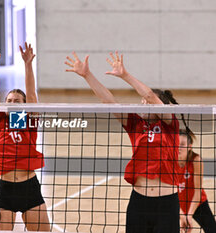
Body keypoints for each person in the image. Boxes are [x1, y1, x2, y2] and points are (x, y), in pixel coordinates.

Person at [65, 51, 182, 233]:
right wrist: (87, 75)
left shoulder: (170, 124)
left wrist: (125, 75)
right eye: (141, 101)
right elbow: (108, 101)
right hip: (139, 202)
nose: (143, 103)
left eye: (146, 102)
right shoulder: (135, 124)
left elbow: (150, 95)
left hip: (166, 205)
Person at [0, 43, 50, 231]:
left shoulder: (28, 120)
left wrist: (28, 65)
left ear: (24, 104)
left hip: (29, 187)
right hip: (5, 189)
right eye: (9, 101)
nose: (12, 103)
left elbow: (31, 94)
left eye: (17, 101)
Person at [178, 129, 216, 233]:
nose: (178, 148)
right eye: (176, 144)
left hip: (197, 203)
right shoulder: (169, 162)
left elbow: (197, 191)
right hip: (177, 205)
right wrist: (181, 215)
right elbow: (170, 193)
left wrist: (189, 215)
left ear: (189, 146)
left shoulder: (195, 160)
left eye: (182, 145)